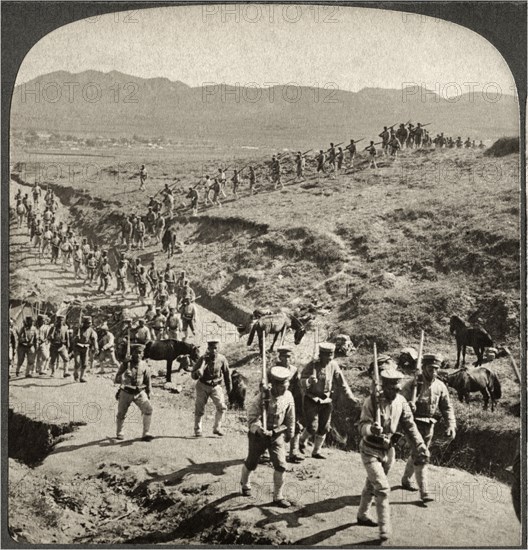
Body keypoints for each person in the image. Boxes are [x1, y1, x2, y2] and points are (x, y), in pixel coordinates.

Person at [357, 367, 429, 543]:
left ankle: (362, 515)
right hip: (370, 450)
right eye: (391, 388)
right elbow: (361, 426)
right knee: (382, 488)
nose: (395, 392)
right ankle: (384, 529)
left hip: (389, 451)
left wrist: (420, 444)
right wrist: (371, 429)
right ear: (384, 386)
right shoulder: (371, 402)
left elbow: (410, 426)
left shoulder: (401, 401)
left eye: (398, 388)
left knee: (371, 484)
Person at [400, 353, 456, 501]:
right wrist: (408, 405)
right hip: (412, 424)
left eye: (437, 369)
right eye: (431, 369)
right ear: (423, 367)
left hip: (429, 426)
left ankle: (406, 479)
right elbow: (398, 401)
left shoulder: (440, 386)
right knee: (422, 454)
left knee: (417, 453)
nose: (434, 372)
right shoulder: (412, 384)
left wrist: (451, 424)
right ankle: (424, 492)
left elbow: (447, 407)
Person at [240, 366, 295, 507]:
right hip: (259, 436)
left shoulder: (288, 396)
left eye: (286, 383)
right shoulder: (260, 398)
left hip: (276, 435)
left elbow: (290, 417)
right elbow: (252, 419)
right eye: (282, 384)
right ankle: (245, 483)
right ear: (274, 384)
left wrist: (290, 433)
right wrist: (259, 428)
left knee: (281, 465)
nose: (285, 387)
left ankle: (278, 496)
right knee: (252, 462)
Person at [299, 343, 359, 458]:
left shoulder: (334, 365)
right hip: (311, 399)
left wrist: (350, 396)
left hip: (326, 401)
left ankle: (316, 451)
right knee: (312, 427)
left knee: (325, 427)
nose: (329, 359)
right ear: (321, 355)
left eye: (331, 356)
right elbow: (301, 381)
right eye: (327, 356)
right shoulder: (312, 365)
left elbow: (342, 383)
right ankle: (302, 441)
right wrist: (309, 381)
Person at [191, 339, 232, 436]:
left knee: (222, 407)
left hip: (216, 386)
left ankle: (217, 428)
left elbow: (227, 374)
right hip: (202, 385)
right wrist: (197, 373)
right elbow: (193, 374)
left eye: (215, 348)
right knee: (199, 408)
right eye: (211, 348)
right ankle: (198, 429)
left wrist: (229, 390)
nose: (213, 350)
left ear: (218, 349)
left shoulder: (222, 359)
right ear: (208, 348)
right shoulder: (202, 359)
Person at [114, 343, 153, 441]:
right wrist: (124, 375)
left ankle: (146, 433)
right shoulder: (125, 364)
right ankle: (120, 431)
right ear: (132, 354)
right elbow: (116, 379)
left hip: (139, 392)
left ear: (143, 354)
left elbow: (148, 380)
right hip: (126, 392)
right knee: (121, 413)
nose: (138, 355)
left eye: (140, 353)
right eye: (136, 353)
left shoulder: (144, 365)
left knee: (148, 409)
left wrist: (149, 393)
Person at [276, 346, 305, 463]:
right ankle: (265, 453)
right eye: (285, 357)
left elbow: (297, 388)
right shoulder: (273, 369)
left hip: (290, 399)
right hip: (277, 400)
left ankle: (293, 453)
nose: (287, 359)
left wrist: (299, 405)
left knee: (295, 425)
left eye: (289, 357)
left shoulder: (293, 370)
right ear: (280, 357)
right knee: (273, 426)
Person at [73, 315, 99, 382]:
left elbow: (94, 340)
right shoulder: (78, 329)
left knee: (85, 364)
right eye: (87, 323)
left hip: (85, 348)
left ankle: (82, 377)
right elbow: (72, 338)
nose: (89, 324)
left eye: (90, 323)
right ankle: (76, 374)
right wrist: (76, 337)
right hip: (77, 347)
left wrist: (96, 347)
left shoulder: (91, 330)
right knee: (77, 362)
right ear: (84, 323)